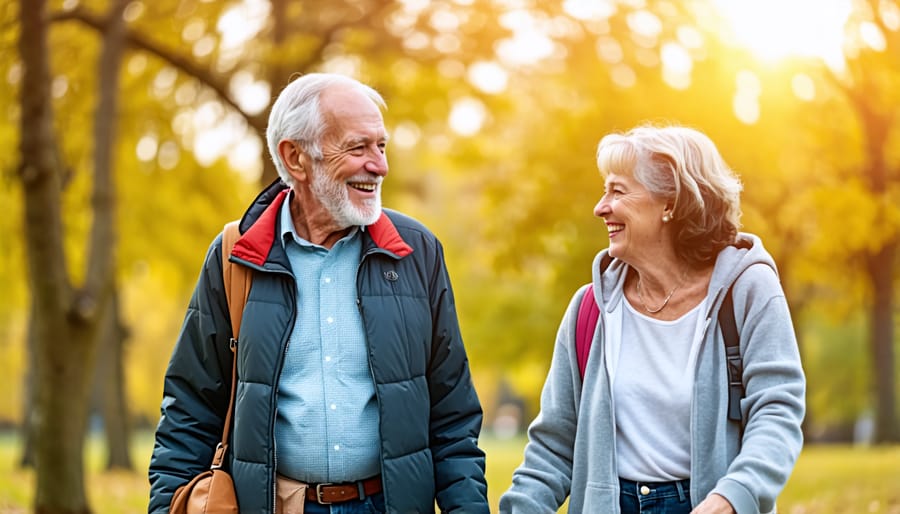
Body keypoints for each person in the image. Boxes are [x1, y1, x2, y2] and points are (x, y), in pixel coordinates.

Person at [148, 73, 489, 514]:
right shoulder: (235, 256)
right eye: (358, 147)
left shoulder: (416, 252)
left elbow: (453, 415)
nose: (380, 165)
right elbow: (189, 411)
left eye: (381, 146)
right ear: (296, 159)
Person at [499, 125, 805, 514]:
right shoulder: (590, 308)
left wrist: (733, 496)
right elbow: (554, 444)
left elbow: (776, 410)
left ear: (670, 204)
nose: (600, 207)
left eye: (618, 190)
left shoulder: (747, 290)